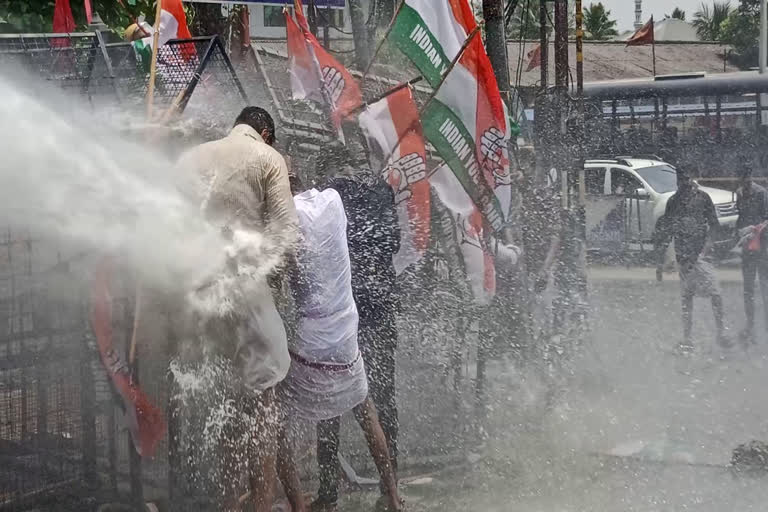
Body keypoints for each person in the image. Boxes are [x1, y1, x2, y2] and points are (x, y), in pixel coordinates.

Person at [176, 106, 298, 511]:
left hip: (202, 294)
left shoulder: (192, 158)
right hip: (246, 290)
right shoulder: (267, 159)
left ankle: (229, 505)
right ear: (265, 133)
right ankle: (261, 506)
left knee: (228, 406)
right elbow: (285, 233)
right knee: (263, 407)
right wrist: (275, 287)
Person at [276, 175, 403, 512]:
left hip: (314, 340)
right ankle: (391, 496)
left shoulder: (287, 218)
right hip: (347, 331)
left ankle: (303, 505)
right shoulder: (332, 202)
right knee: (367, 411)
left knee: (273, 420)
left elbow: (282, 275)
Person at [317, 142, 402, 509]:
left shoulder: (325, 197)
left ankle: (327, 493)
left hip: (339, 313)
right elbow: (393, 243)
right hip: (378, 308)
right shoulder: (380, 190)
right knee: (382, 397)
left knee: (328, 406)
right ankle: (390, 486)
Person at [654, 166, 730, 352]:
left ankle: (720, 333)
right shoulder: (673, 201)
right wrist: (660, 262)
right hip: (684, 258)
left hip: (702, 256)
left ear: (693, 179)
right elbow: (667, 232)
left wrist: (707, 247)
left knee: (715, 295)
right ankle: (687, 338)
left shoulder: (703, 198)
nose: (686, 183)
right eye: (683, 180)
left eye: (689, 179)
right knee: (687, 298)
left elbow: (714, 226)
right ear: (678, 181)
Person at [735, 164, 768, 344]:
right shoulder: (739, 192)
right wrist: (741, 232)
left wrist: (756, 230)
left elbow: (766, 218)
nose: (745, 182)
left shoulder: (761, 193)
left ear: (751, 176)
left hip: (762, 247)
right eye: (742, 178)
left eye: (747, 178)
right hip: (747, 247)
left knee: (764, 287)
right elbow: (740, 217)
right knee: (748, 289)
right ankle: (750, 325)